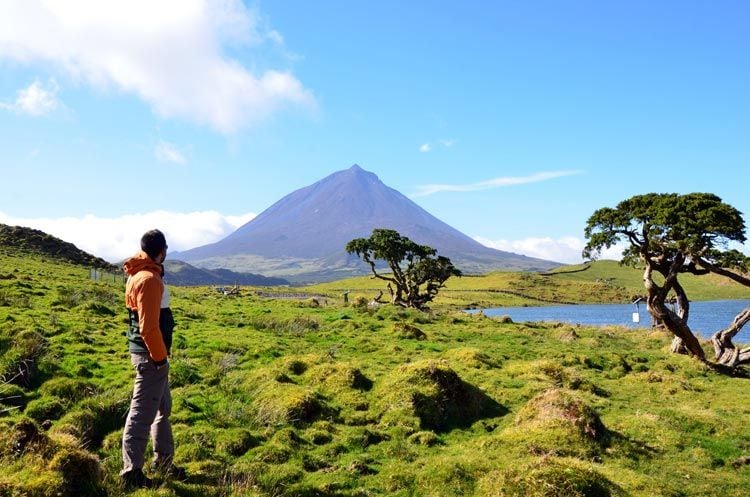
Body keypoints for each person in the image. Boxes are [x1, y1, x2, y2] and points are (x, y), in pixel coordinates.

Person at [120, 229, 183, 488]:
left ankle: (164, 461)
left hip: (150, 355)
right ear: (161, 251)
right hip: (151, 358)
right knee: (141, 414)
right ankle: (131, 473)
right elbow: (148, 326)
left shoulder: (140, 273)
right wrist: (160, 359)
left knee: (162, 409)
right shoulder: (148, 279)